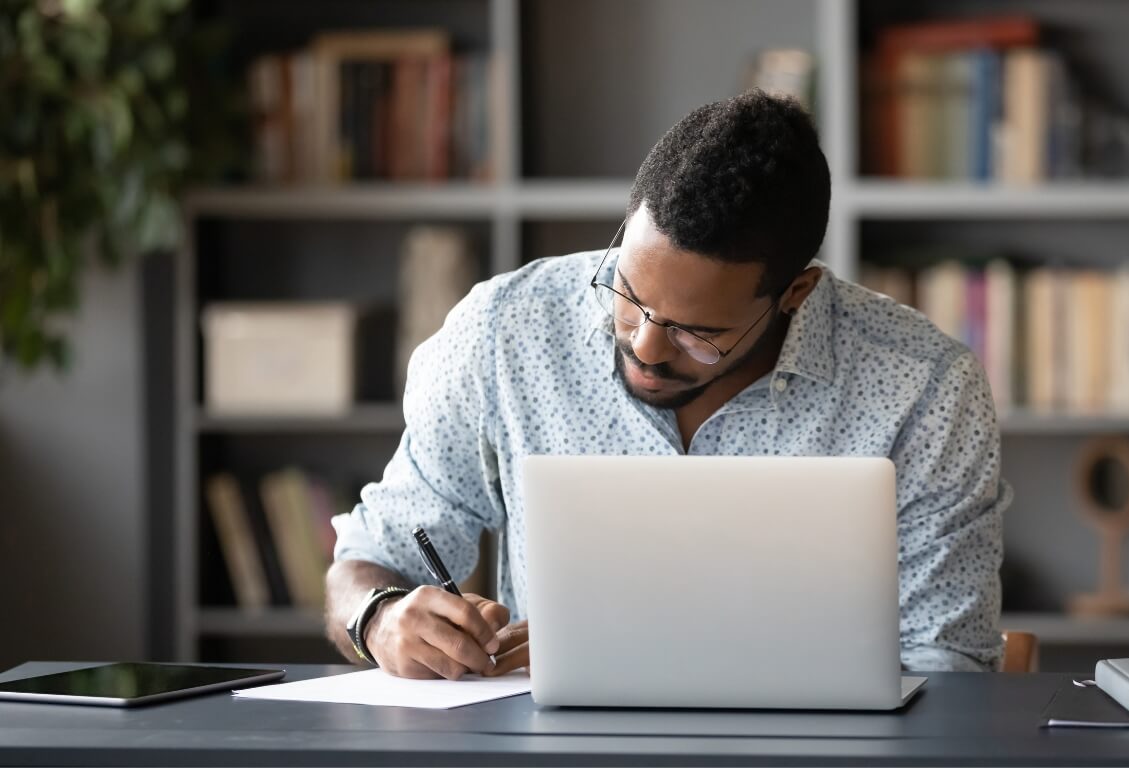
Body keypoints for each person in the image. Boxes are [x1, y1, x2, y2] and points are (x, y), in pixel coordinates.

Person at [325, 90, 1011, 679]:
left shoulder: (924, 388)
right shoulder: (507, 330)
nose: (644, 345)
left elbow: (945, 664)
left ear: (795, 292)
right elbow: (369, 559)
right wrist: (379, 618)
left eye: (696, 331)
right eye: (628, 293)